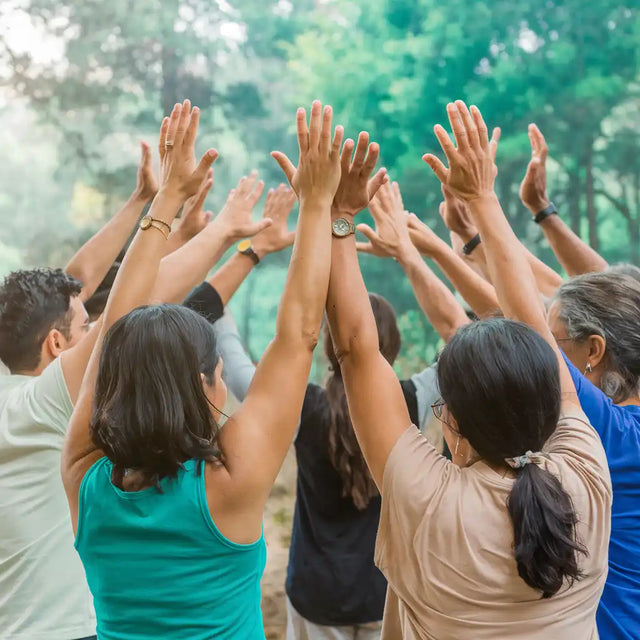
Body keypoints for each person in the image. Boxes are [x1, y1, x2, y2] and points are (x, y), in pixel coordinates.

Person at [61, 100, 384, 639]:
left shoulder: (84, 477)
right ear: (204, 385)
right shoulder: (228, 483)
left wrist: (167, 199)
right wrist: (320, 205)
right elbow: (301, 332)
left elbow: (115, 324)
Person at [325, 101, 611, 639]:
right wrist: (482, 198)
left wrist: (338, 213)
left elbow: (357, 353)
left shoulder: (428, 500)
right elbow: (534, 325)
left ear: (450, 419)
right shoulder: (586, 473)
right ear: (552, 399)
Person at [548, 268, 640, 638]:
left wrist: (485, 210)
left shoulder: (613, 432)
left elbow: (520, 312)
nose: (550, 359)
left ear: (594, 350)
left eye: (557, 347)